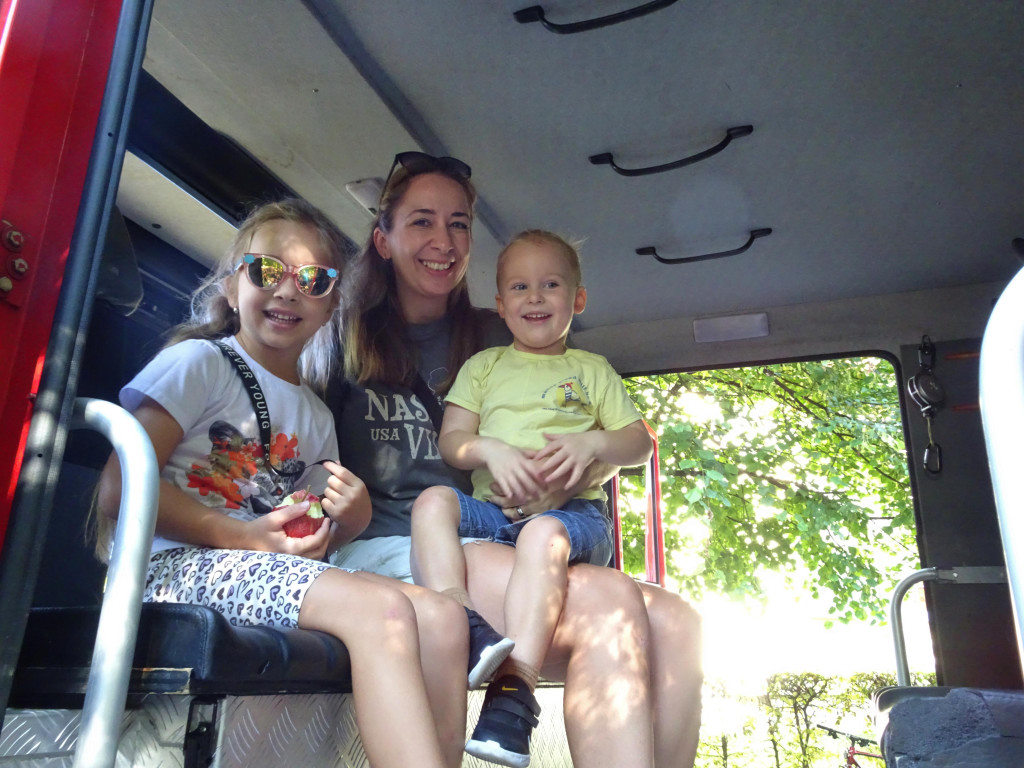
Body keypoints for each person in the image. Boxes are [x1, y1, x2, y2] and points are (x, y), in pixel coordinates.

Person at [328, 152, 703, 768]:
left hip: (509, 530)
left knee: (679, 623)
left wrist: (569, 478)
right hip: (403, 542)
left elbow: (600, 437)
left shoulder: (503, 337)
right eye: (422, 221)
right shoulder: (340, 337)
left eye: (458, 224)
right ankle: (508, 698)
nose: (443, 240)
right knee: (609, 604)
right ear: (383, 239)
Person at [95, 198, 468, 768]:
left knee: (443, 617)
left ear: (330, 304)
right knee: (385, 613)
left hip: (264, 573)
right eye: (267, 271)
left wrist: (351, 521)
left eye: (312, 280)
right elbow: (120, 488)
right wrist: (246, 538)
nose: (288, 290)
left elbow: (305, 537)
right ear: (231, 286)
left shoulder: (316, 415)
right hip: (174, 569)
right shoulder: (199, 362)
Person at [410, 230, 654, 767]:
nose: (535, 297)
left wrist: (594, 442)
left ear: (578, 299)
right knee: (432, 502)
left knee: (543, 533)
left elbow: (639, 445)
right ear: (501, 305)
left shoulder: (592, 370)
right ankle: (463, 618)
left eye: (551, 285)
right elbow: (452, 441)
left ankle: (514, 694)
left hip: (574, 516)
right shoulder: (485, 366)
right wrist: (489, 449)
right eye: (520, 287)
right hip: (493, 514)